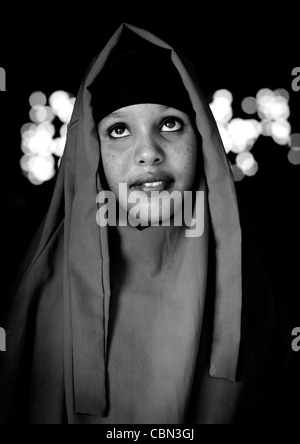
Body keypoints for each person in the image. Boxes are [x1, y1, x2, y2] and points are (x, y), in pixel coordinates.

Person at [0, 23, 289, 424]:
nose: (148, 152)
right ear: (93, 152)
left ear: (202, 135)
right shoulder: (38, 290)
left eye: (170, 124)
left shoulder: (265, 279)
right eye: (118, 130)